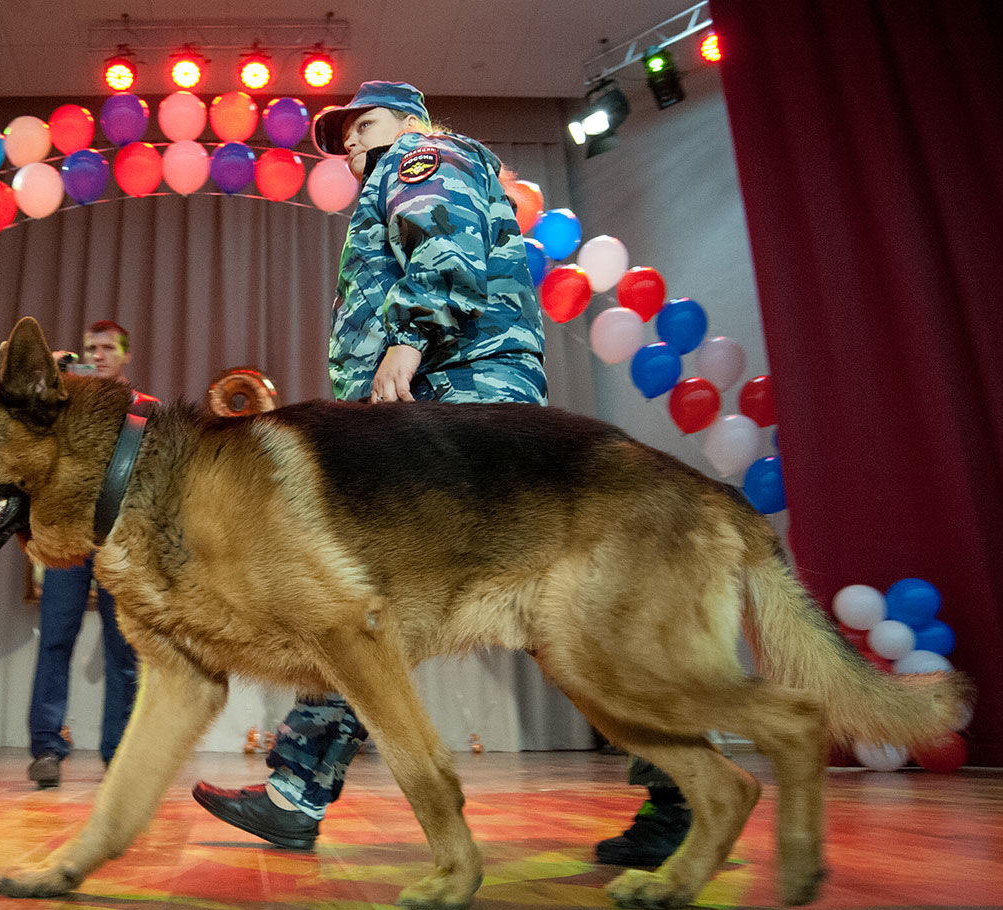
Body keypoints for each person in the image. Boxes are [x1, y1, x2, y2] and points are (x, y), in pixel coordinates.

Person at [190, 81, 691, 865]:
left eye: (363, 126)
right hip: (427, 414)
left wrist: (409, 342)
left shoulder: (426, 155)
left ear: (407, 120)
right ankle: (295, 791)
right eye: (344, 137)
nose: (351, 145)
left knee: (539, 607)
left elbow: (443, 246)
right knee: (365, 598)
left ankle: (684, 788)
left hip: (458, 404)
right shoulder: (395, 173)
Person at [27, 320, 157, 788]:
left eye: (106, 348)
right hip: (69, 540)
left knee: (123, 650)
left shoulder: (142, 409)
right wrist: (50, 374)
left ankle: (117, 752)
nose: (97, 355)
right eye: (90, 348)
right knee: (55, 638)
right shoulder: (64, 401)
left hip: (119, 541)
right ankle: (46, 748)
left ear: (125, 355)